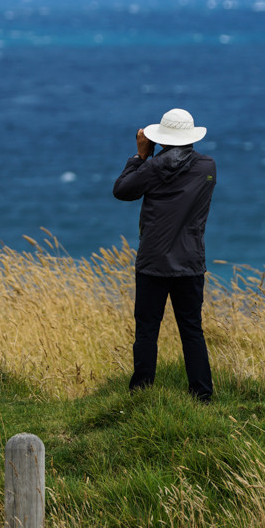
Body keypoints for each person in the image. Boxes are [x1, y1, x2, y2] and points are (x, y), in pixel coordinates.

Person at [112, 108, 216, 402]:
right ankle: (202, 395)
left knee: (147, 330)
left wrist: (140, 156)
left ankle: (141, 394)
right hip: (190, 261)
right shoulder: (208, 167)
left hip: (153, 262)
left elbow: (122, 190)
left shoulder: (152, 169)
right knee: (192, 330)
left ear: (162, 139)